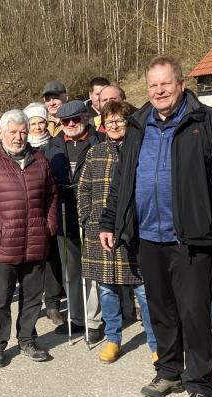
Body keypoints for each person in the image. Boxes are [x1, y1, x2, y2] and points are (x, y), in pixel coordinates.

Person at [98, 56, 212, 397]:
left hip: (191, 238)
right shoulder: (137, 124)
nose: (159, 91)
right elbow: (122, 179)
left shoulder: (206, 121)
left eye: (165, 84)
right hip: (147, 236)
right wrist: (109, 220)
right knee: (161, 308)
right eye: (153, 85)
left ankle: (198, 386)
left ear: (180, 84)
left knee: (194, 312)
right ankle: (169, 372)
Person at [0, 110, 58, 368]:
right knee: (1, 298)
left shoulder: (39, 160)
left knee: (32, 297)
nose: (19, 137)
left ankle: (27, 339)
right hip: (5, 243)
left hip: (36, 240)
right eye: (13, 132)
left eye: (22, 131)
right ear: (1, 133)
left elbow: (52, 195)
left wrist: (49, 223)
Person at [79, 100, 157, 364]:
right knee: (106, 290)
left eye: (119, 120)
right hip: (99, 233)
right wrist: (88, 219)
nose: (113, 125)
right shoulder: (95, 152)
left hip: (133, 233)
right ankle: (113, 340)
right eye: (108, 121)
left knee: (143, 290)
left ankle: (156, 342)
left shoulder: (142, 150)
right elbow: (84, 190)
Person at [45, 100, 106, 343]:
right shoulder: (55, 144)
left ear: (86, 117)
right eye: (65, 121)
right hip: (63, 213)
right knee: (71, 271)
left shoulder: (98, 142)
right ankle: (77, 317)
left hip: (92, 215)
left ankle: (94, 320)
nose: (70, 124)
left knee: (91, 270)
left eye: (75, 119)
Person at [25, 102, 65, 326]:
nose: (39, 127)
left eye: (42, 122)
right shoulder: (22, 148)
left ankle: (52, 304)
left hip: (49, 209)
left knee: (52, 259)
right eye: (33, 123)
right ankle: (31, 304)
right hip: (28, 212)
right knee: (32, 260)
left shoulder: (55, 145)